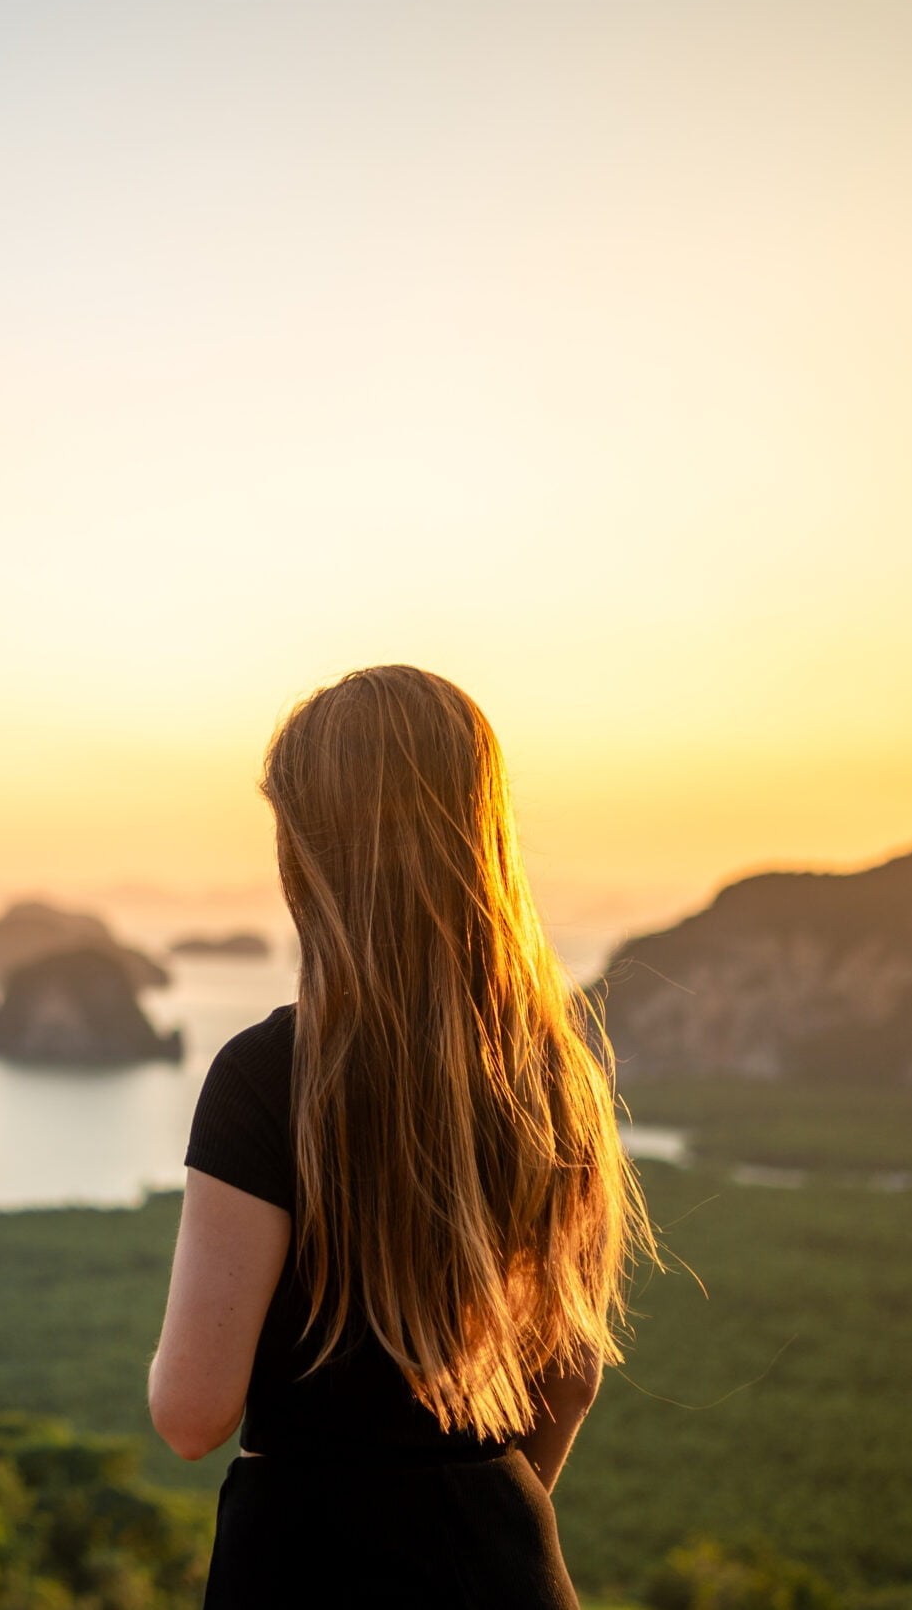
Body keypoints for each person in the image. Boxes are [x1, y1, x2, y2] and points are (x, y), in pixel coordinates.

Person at [149, 665, 650, 1608]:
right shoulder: (554, 1072)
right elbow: (572, 1379)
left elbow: (190, 1412)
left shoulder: (267, 1075)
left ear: (318, 851)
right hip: (507, 1567)